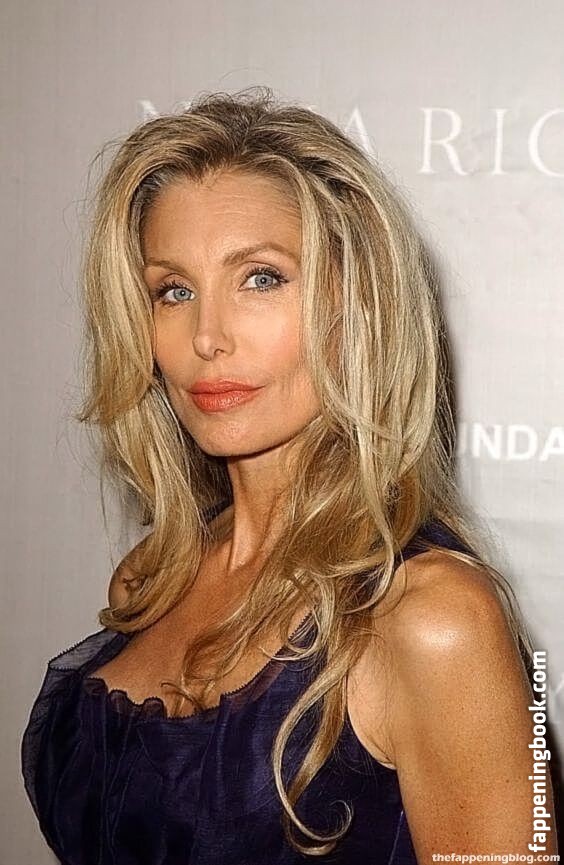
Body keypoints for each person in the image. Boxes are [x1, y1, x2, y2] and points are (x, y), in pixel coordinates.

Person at [21, 87, 558, 864]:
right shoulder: (153, 577)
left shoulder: (432, 618)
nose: (207, 337)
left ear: (357, 305)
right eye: (174, 290)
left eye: (261, 278)